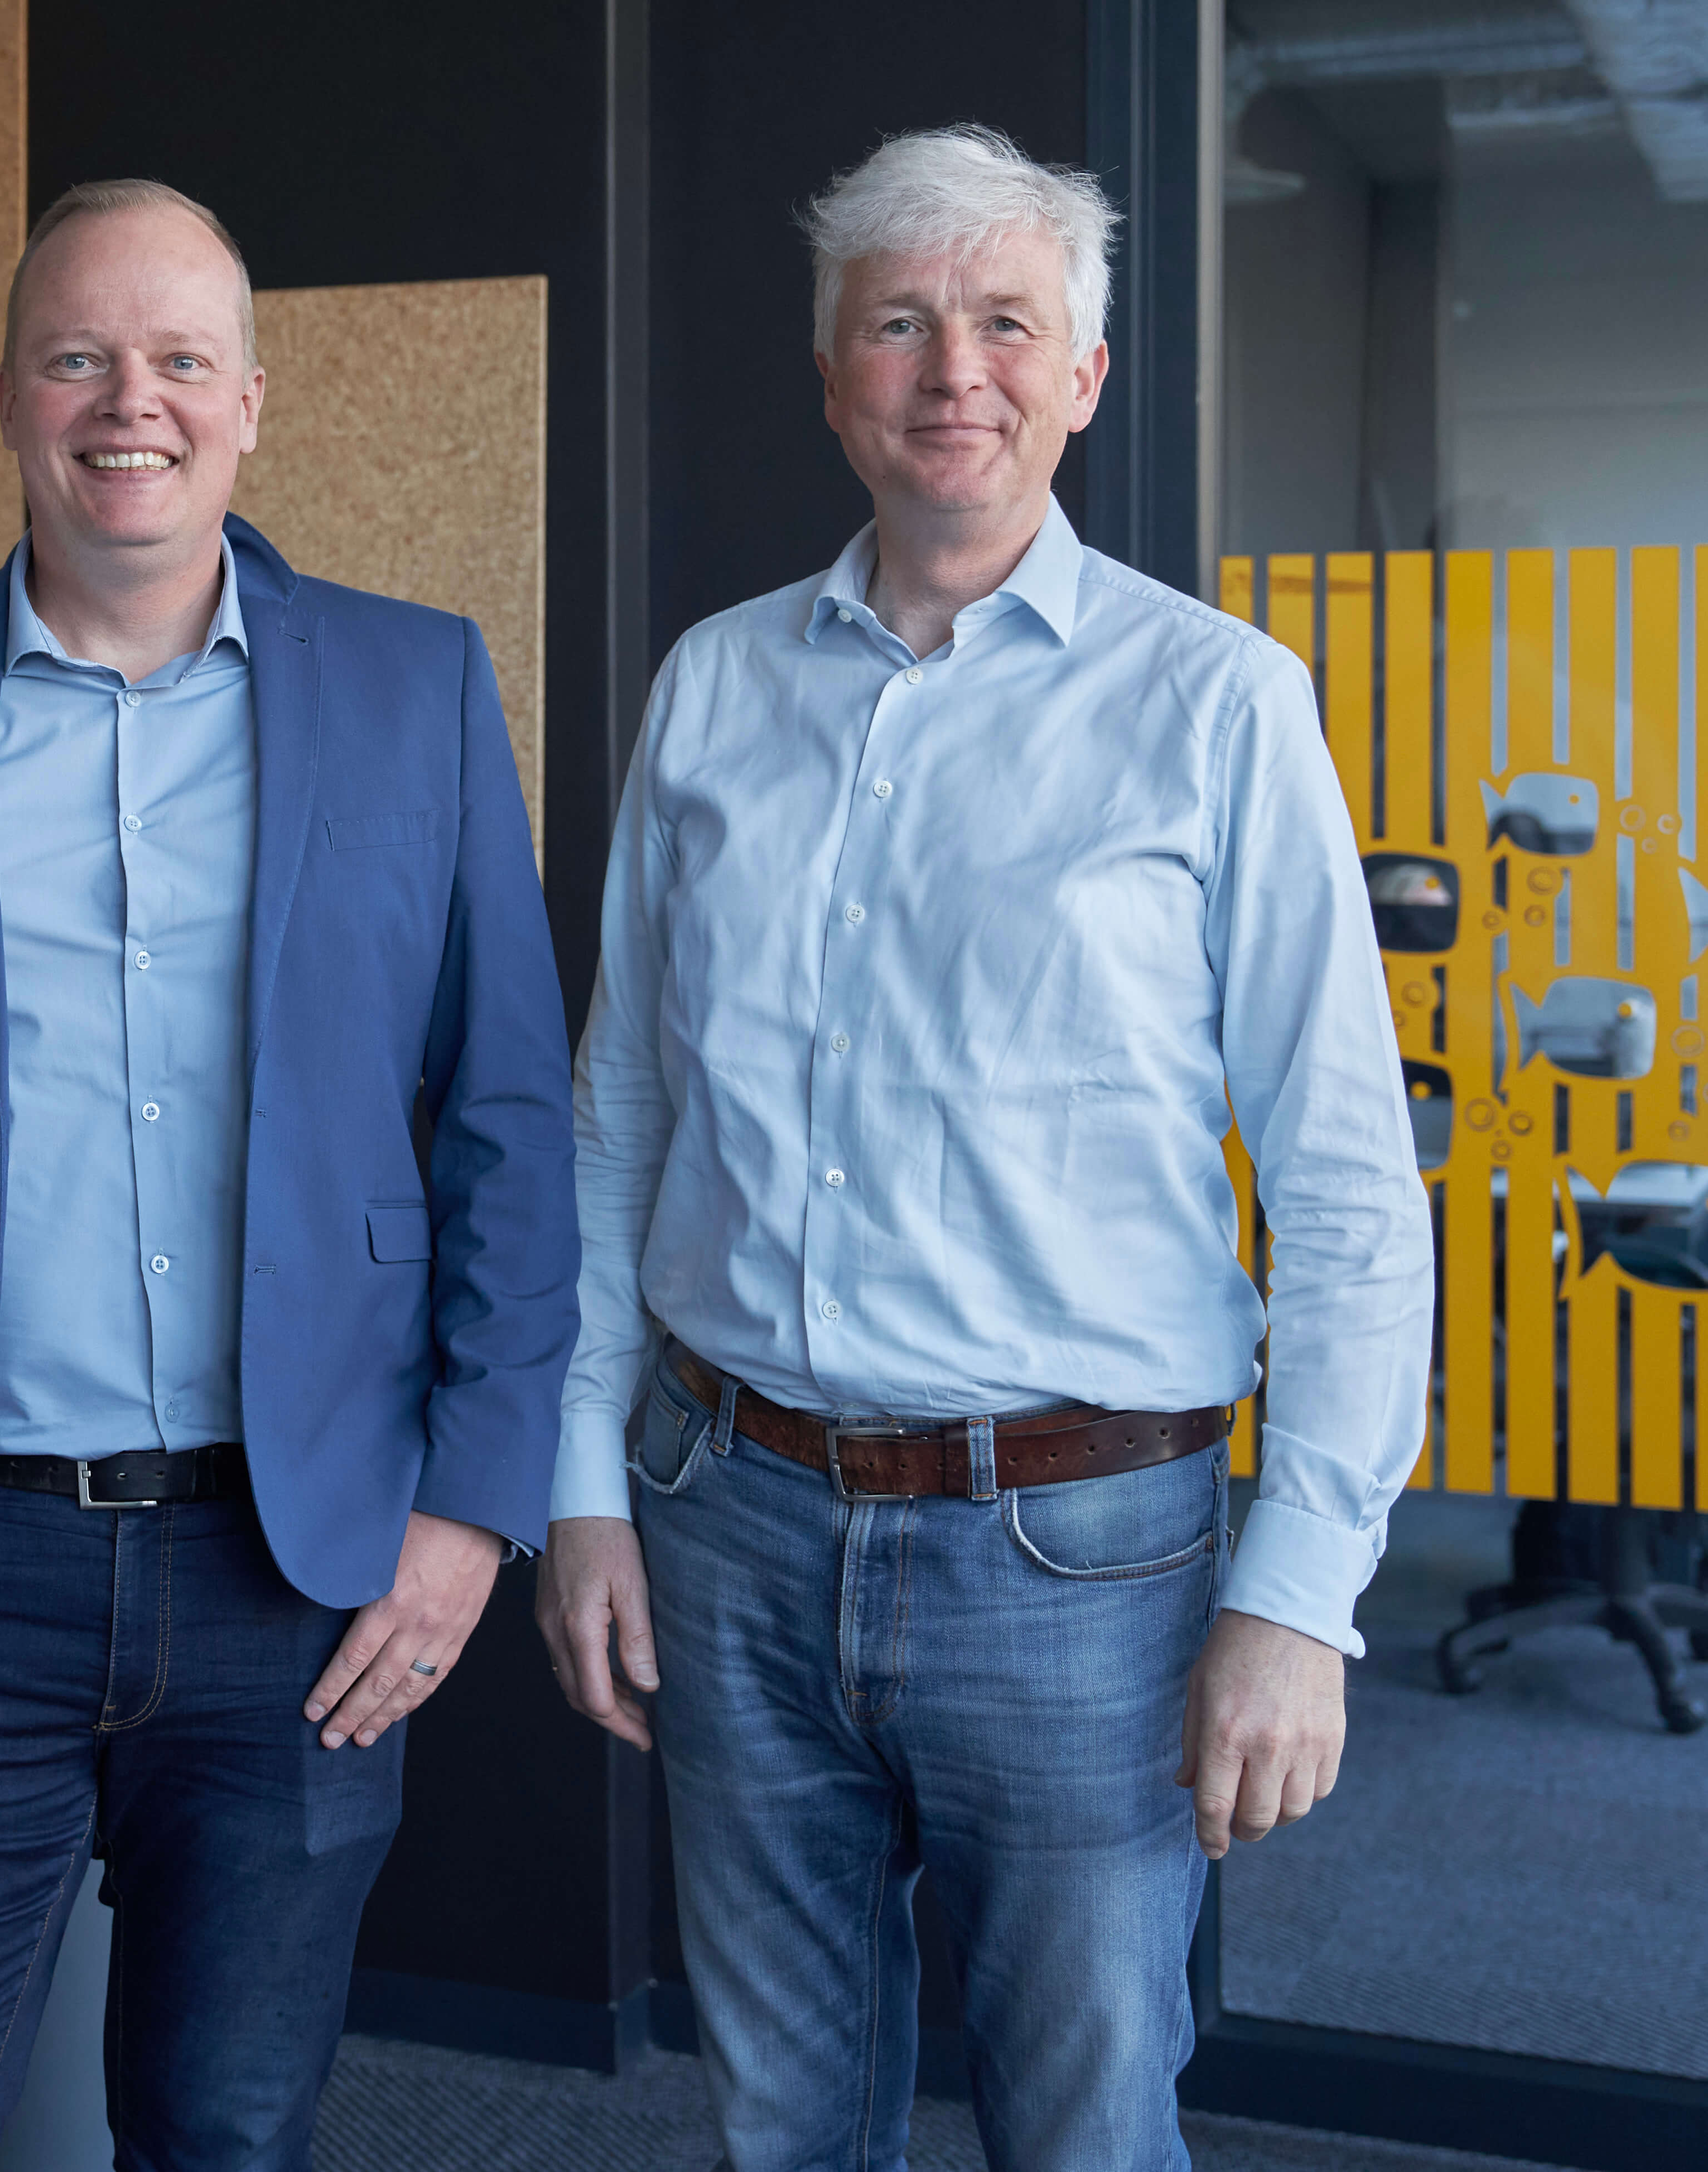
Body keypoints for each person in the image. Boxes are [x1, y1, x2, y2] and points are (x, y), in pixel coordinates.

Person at [0, 179, 577, 2168]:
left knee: (223, 2145)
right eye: (78, 355)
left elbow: (509, 1116)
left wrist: (477, 1512)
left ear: (254, 401)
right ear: (7, 395)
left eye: (176, 360)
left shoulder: (419, 690)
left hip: (299, 1575)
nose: (125, 401)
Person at [533, 126, 1432, 2170]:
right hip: (729, 1519)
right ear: (836, 375)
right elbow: (622, 1128)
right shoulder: (711, 693)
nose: (958, 369)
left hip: (1083, 1564)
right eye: (903, 324)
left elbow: (1353, 1200)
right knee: (780, 2120)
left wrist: (1300, 1596)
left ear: (1086, 375)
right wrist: (580, 1485)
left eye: (1008, 322)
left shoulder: (1220, 708)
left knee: (1085, 2127)